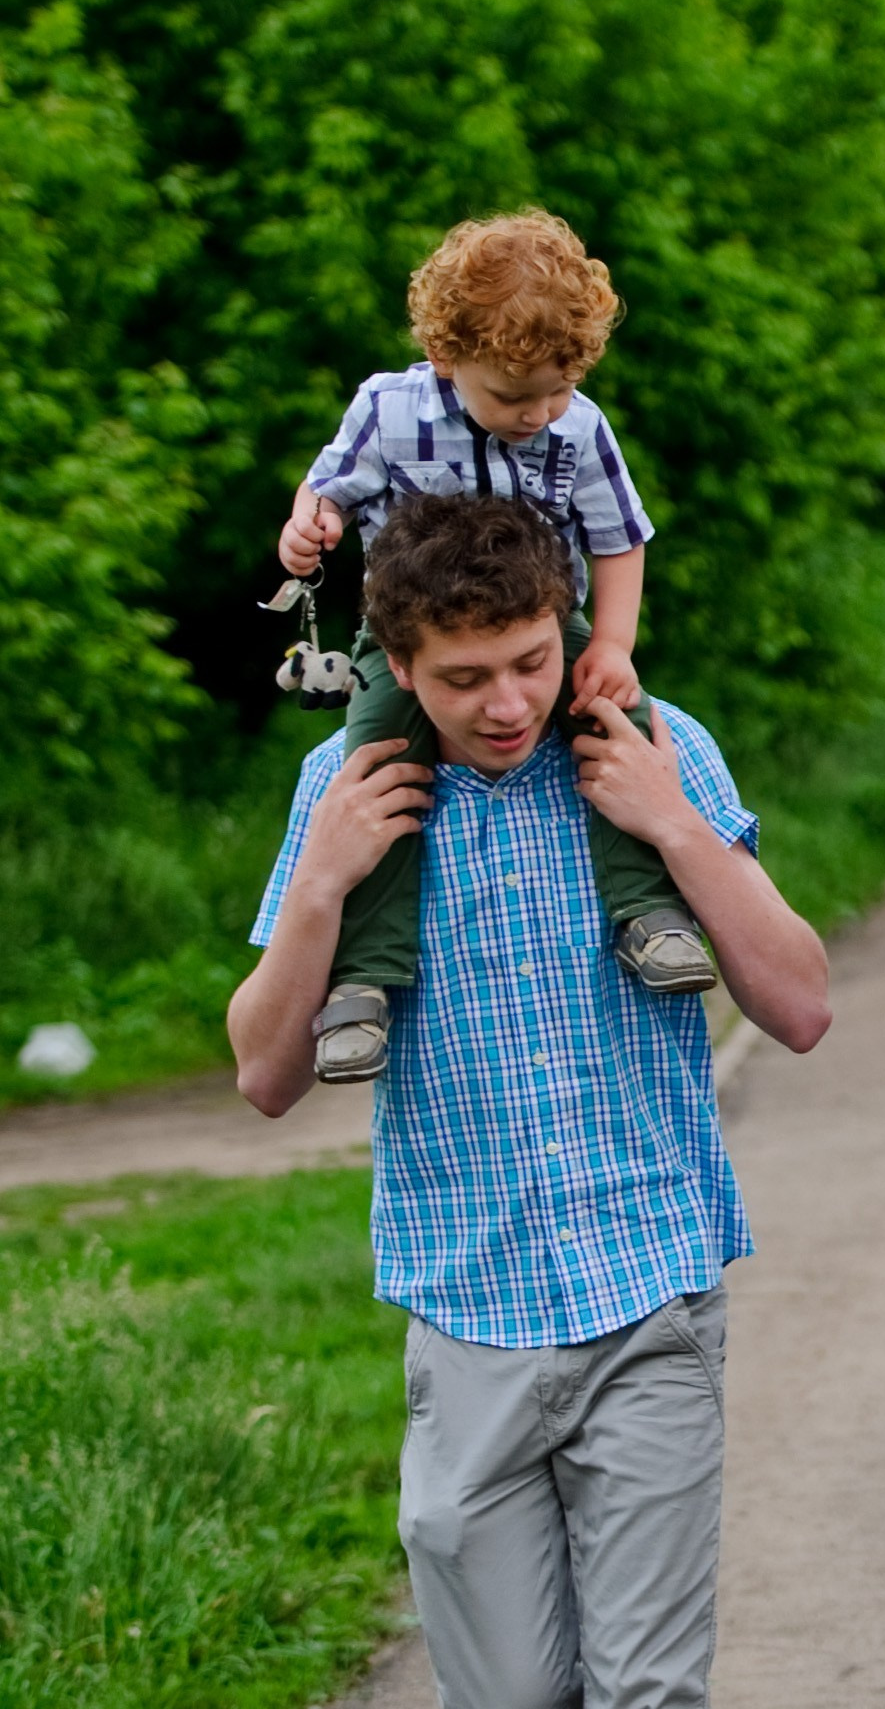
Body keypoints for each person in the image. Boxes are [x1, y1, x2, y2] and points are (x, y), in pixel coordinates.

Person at [229, 489, 834, 1709]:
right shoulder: (358, 801)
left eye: (527, 660)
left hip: (651, 1290)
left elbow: (797, 1004)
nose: (504, 703)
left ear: (571, 629)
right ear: (397, 667)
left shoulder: (649, 748)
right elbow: (265, 1073)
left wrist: (680, 829)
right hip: (468, 1308)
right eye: (461, 674)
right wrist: (324, 889)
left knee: (644, 1698)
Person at [277, 208, 711, 1088]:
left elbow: (619, 539)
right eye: (515, 398)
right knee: (378, 765)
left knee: (616, 723)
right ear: (447, 357)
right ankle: (365, 975)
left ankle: (649, 913)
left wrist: (615, 646)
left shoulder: (579, 427)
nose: (537, 413)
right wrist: (308, 525)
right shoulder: (386, 408)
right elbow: (326, 491)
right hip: (408, 636)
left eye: (556, 389)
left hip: (543, 625)